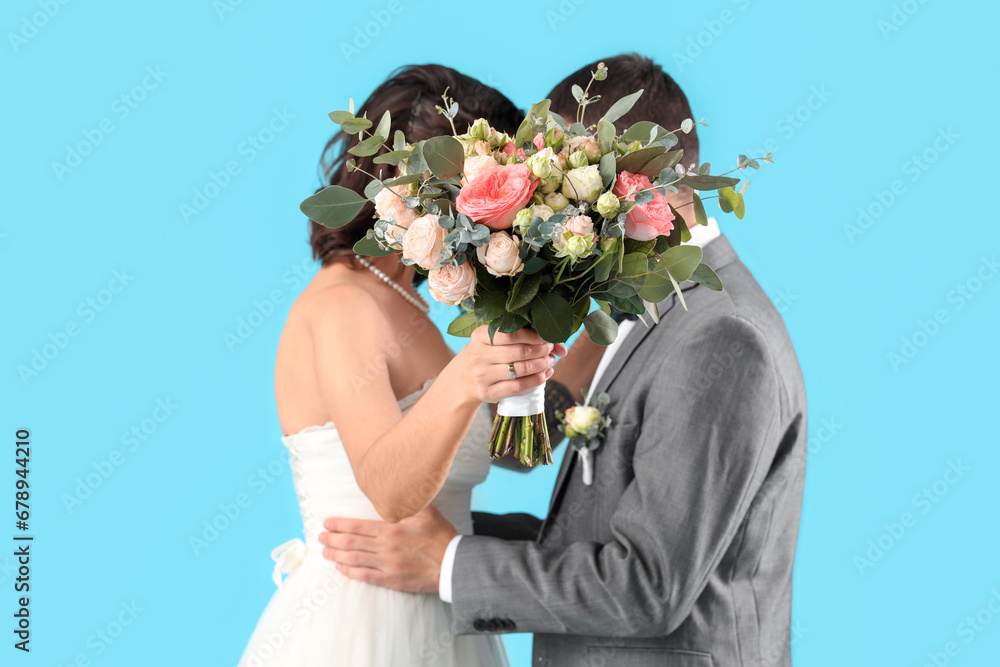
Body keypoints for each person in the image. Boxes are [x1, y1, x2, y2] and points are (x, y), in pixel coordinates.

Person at [320, 53, 808, 667]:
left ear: (631, 177)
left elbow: (648, 587)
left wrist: (448, 565)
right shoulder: (649, 307)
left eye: (566, 178)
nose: (552, 209)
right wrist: (460, 535)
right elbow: (614, 533)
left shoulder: (721, 337)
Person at [237, 64, 569, 667]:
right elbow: (389, 492)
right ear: (408, 182)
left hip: (442, 607)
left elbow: (515, 453)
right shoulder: (343, 304)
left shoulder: (406, 298)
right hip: (361, 628)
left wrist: (565, 312)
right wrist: (470, 377)